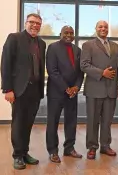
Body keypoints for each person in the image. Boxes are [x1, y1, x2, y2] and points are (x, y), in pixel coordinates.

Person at [0, 13, 46, 170]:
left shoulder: (41, 43)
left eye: (38, 23)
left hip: (35, 90)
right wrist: (7, 89)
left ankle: (25, 152)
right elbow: (5, 64)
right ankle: (17, 155)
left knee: (28, 123)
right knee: (18, 122)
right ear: (26, 23)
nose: (35, 25)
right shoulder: (14, 38)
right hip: (19, 90)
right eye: (32, 22)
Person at [80, 20, 118, 160]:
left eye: (105, 27)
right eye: (100, 26)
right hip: (94, 89)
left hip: (111, 90)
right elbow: (84, 65)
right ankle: (92, 147)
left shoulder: (116, 47)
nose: (103, 29)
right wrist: (101, 73)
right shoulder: (88, 45)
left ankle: (105, 146)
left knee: (107, 120)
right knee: (93, 120)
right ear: (96, 29)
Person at [45, 26, 85, 163]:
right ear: (60, 34)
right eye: (66, 33)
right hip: (56, 92)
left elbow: (81, 72)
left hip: (72, 93)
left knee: (71, 121)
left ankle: (69, 148)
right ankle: (53, 151)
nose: (69, 35)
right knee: (53, 122)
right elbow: (52, 71)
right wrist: (66, 88)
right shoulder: (53, 48)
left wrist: (76, 87)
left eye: (71, 33)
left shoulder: (77, 50)